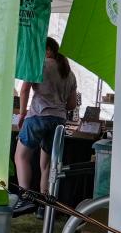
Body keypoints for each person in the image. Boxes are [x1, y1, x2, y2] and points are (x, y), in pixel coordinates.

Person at [14, 37, 79, 214]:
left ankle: (25, 198)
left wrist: (22, 114)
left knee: (21, 157)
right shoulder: (69, 73)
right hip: (58, 121)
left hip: (38, 117)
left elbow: (24, 89)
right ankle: (45, 208)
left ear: (48, 50)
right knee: (47, 166)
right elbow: (72, 105)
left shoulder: (38, 65)